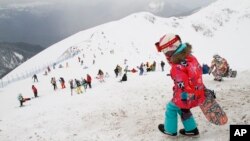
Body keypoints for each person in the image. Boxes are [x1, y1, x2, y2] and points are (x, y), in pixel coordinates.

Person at [155, 34, 206, 137]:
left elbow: (181, 85)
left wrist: (178, 97)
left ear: (172, 48)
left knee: (171, 108)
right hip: (197, 91)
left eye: (166, 52)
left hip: (186, 95)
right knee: (182, 108)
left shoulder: (177, 66)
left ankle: (170, 130)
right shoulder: (190, 57)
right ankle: (191, 129)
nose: (166, 55)